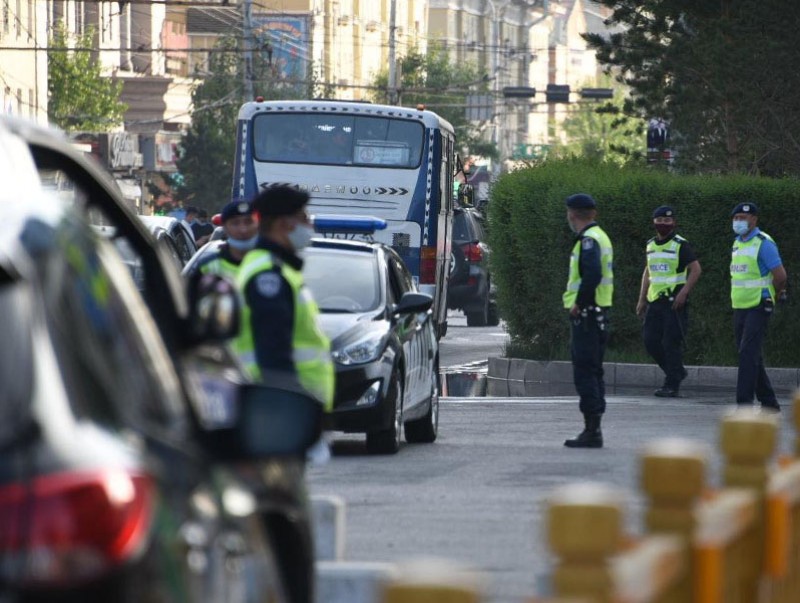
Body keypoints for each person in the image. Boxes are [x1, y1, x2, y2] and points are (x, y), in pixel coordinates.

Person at [235, 185, 334, 413]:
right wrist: (285, 415)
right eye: (304, 218)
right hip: (285, 411)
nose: (310, 225)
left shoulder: (275, 268)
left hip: (295, 408)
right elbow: (273, 351)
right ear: (283, 224)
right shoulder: (269, 276)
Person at [562, 193, 613, 449]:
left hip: (587, 315)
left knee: (585, 372)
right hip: (599, 313)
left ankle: (592, 430)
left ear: (572, 214)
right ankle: (594, 427)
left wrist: (578, 304)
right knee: (594, 370)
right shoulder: (600, 236)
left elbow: (592, 274)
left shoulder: (589, 240)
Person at [636, 206, 702, 397]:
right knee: (650, 341)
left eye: (667, 221)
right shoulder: (650, 245)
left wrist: (684, 293)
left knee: (670, 343)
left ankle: (672, 384)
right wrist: (642, 299)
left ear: (674, 223)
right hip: (655, 300)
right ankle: (676, 372)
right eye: (660, 220)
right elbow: (648, 272)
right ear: (654, 222)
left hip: (674, 301)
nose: (663, 224)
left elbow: (696, 269)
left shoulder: (680, 244)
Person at [729, 201, 787, 411]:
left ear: (754, 220)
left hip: (759, 304)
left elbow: (780, 276)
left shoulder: (763, 243)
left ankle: (743, 406)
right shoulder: (738, 243)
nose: (739, 222)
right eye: (736, 218)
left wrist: (775, 293)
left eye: (743, 218)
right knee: (750, 353)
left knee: (747, 354)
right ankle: (769, 402)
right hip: (741, 305)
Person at [186, 200, 258, 280]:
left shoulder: (271, 262)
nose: (243, 230)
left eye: (248, 222)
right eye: (235, 223)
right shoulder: (206, 267)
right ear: (225, 228)